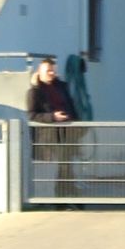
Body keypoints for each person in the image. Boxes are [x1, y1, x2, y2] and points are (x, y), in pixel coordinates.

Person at [27, 56, 80, 200]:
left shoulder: (62, 86)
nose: (51, 73)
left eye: (53, 71)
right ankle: (63, 199)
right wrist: (52, 117)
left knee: (67, 166)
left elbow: (71, 106)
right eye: (48, 71)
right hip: (51, 136)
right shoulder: (35, 91)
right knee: (61, 168)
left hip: (68, 133)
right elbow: (32, 115)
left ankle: (68, 198)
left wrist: (78, 125)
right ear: (40, 71)